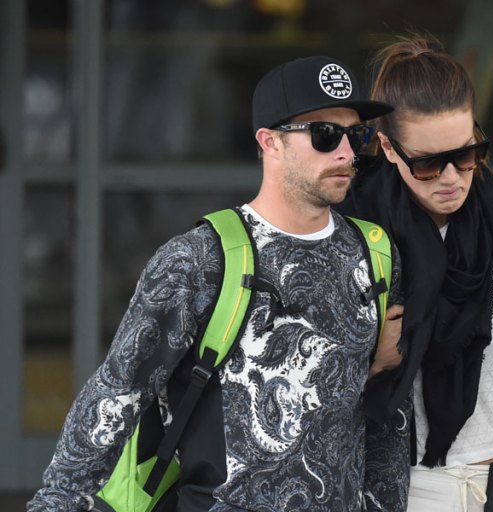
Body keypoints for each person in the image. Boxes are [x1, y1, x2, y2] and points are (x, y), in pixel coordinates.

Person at [28, 55, 405, 512]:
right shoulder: (199, 260)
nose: (346, 153)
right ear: (270, 142)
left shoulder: (374, 256)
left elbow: (384, 415)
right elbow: (114, 398)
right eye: (325, 135)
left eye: (356, 136)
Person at [338, 34, 493, 512]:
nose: (452, 178)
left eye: (466, 154)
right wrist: (372, 363)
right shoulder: (350, 235)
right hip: (398, 491)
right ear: (388, 148)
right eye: (428, 163)